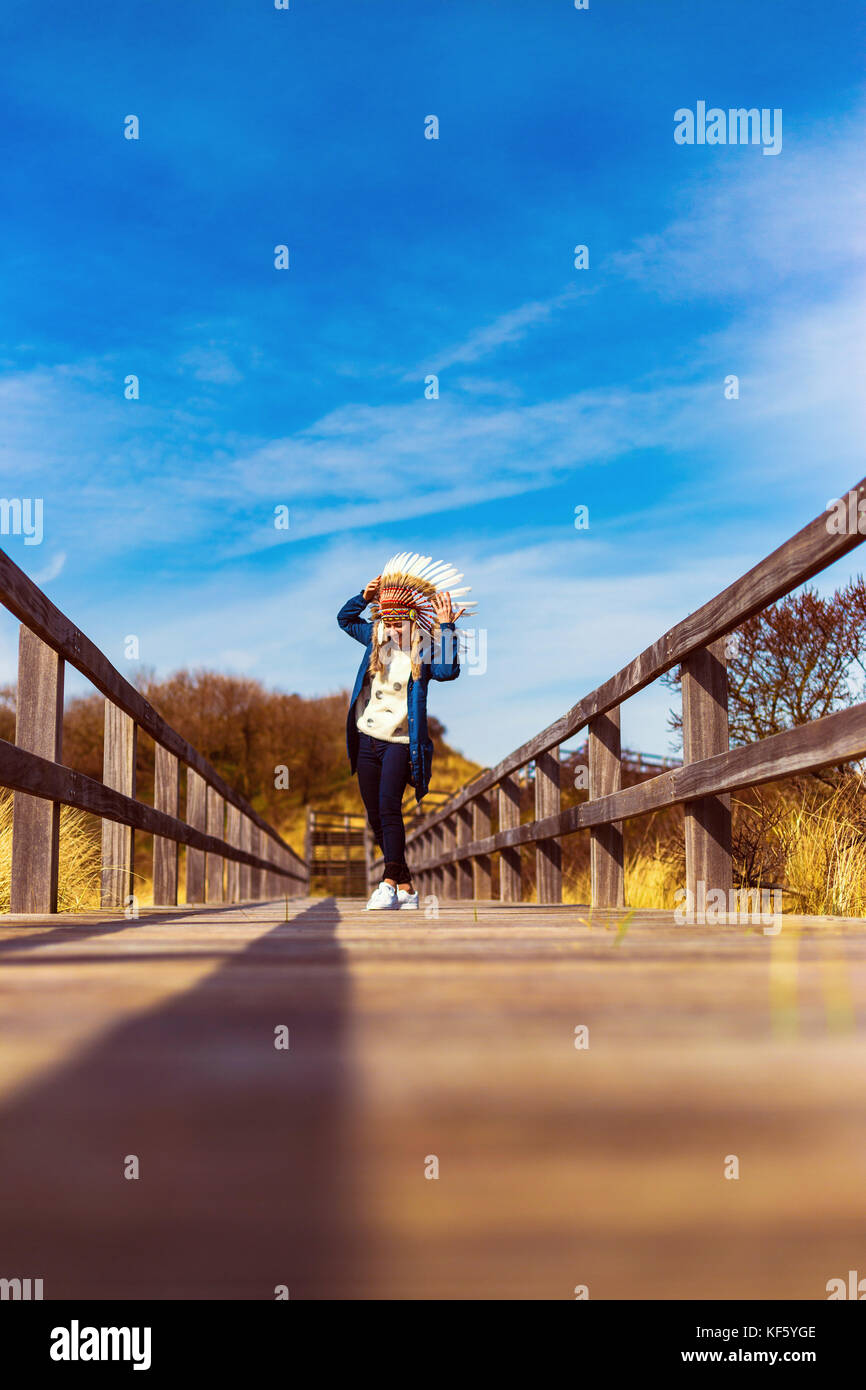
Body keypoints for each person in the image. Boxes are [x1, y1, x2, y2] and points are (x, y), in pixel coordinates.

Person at [337, 552, 476, 910]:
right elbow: (344, 619)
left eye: (400, 623)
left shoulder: (423, 653)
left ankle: (386, 884)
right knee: (374, 816)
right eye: (388, 621)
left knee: (389, 807)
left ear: (414, 621)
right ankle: (407, 888)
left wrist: (446, 627)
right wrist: (365, 597)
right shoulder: (374, 641)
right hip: (367, 739)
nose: (393, 629)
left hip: (401, 743)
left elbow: (448, 672)